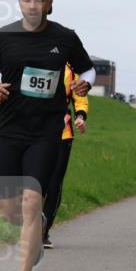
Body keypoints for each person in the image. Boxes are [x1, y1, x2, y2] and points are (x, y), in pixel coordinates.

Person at [0, 0, 94, 271]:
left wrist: (84, 85)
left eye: (40, 0)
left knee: (30, 200)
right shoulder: (3, 37)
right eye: (27, 0)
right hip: (10, 130)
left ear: (50, 3)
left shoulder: (65, 38)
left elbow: (87, 70)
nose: (33, 5)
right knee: (9, 210)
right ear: (19, 3)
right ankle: (37, 223)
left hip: (47, 131)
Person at [42, 63, 89, 248]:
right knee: (35, 182)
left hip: (63, 134)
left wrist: (80, 116)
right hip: (34, 132)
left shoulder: (72, 70)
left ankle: (44, 231)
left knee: (54, 184)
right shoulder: (35, 58)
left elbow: (80, 98)